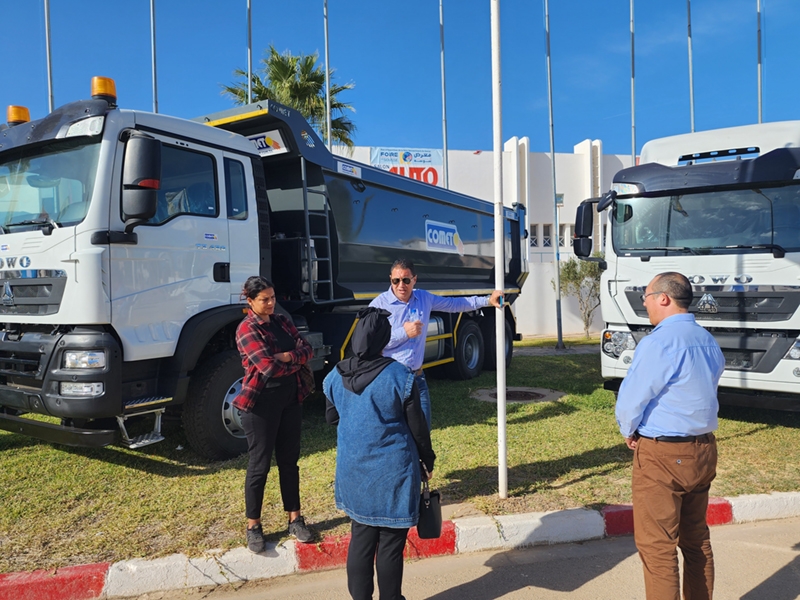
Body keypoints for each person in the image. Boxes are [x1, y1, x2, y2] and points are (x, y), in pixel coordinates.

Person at [615, 272, 725, 600]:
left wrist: (628, 430)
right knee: (696, 542)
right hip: (703, 450)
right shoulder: (707, 339)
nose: (645, 304)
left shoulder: (659, 342)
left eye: (646, 297)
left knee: (658, 549)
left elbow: (633, 397)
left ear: (663, 298)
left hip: (663, 455)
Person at [323, 307, 436, 600]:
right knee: (390, 546)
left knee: (360, 540)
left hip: (354, 472)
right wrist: (428, 460)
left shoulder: (336, 374)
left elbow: (331, 418)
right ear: (384, 339)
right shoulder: (400, 375)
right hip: (392, 474)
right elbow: (418, 428)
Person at [233, 275, 316, 553]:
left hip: (291, 399)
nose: (271, 303)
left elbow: (308, 350)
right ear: (250, 301)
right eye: (264, 299)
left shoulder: (281, 321)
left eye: (272, 297)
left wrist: (288, 356)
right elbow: (268, 368)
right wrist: (291, 357)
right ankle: (253, 526)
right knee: (259, 466)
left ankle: (295, 518)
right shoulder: (246, 329)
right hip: (261, 405)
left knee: (290, 462)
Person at [369, 258, 503, 427]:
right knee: (394, 433)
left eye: (406, 280)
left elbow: (455, 304)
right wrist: (404, 332)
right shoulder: (378, 305)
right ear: (390, 279)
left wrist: (486, 301)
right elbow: (371, 344)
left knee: (424, 431)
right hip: (391, 381)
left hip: (417, 379)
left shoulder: (424, 298)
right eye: (396, 280)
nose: (401, 285)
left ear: (414, 279)